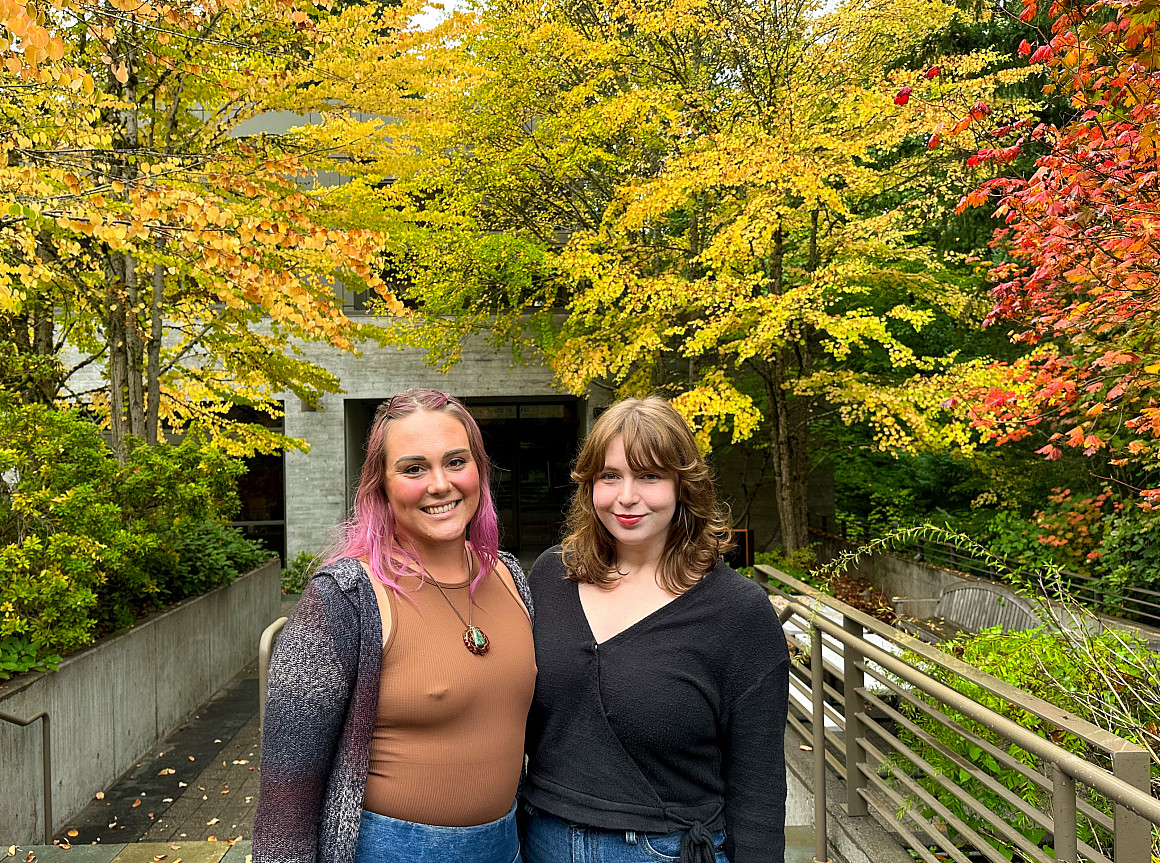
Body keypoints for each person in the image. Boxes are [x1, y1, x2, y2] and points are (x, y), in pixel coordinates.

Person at [254, 389, 535, 863]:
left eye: (455, 461)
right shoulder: (342, 599)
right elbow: (287, 791)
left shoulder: (510, 577)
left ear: (481, 472)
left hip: (507, 847)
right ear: (380, 485)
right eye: (413, 468)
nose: (440, 484)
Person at [521, 396, 789, 863]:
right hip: (542, 839)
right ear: (589, 485)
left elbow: (759, 781)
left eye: (649, 476)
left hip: (662, 849)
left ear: (684, 486)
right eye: (610, 476)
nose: (627, 496)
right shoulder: (551, 577)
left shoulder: (737, 613)